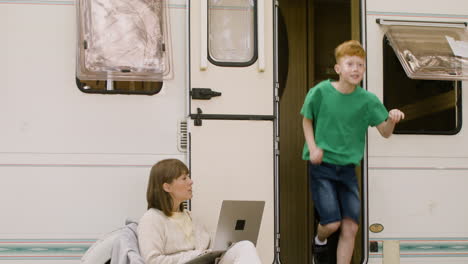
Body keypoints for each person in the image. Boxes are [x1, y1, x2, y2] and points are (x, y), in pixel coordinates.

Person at [301, 40, 405, 264]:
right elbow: (306, 120)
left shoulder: (368, 101)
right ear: (338, 69)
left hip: (347, 170)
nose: (355, 69)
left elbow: (385, 132)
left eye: (360, 65)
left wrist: (392, 119)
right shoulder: (320, 92)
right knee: (331, 223)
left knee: (351, 227)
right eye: (350, 64)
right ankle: (319, 241)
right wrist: (312, 147)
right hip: (322, 165)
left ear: (364, 70)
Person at [137, 159, 262, 264]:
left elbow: (207, 248)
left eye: (189, 177)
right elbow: (153, 261)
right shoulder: (151, 219)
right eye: (184, 178)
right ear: (167, 187)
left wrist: (225, 242)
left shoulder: (190, 216)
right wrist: (195, 255)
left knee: (245, 246)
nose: (191, 181)